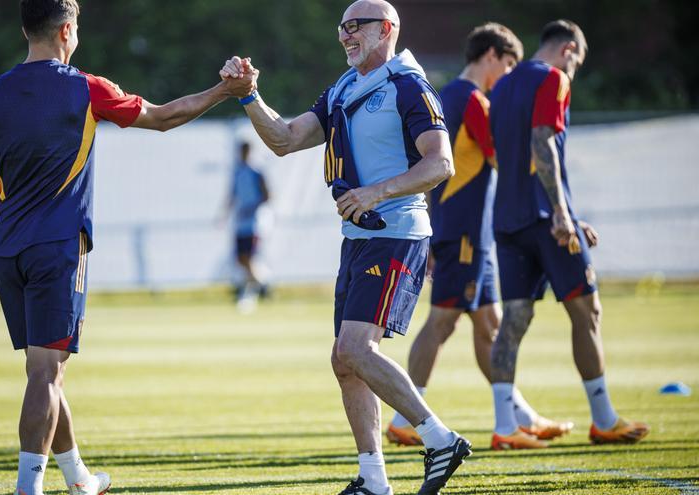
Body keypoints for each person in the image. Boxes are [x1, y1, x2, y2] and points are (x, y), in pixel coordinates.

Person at [0, 1, 255, 494]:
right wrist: (227, 89)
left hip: (6, 252)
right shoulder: (85, 87)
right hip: (57, 249)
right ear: (67, 30)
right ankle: (27, 488)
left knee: (44, 370)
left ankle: (80, 479)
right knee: (46, 376)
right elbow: (163, 117)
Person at [221, 1, 470, 493]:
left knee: (356, 348)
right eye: (343, 27)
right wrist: (249, 94)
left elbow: (441, 164)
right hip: (358, 238)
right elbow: (285, 139)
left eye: (357, 27)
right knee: (344, 358)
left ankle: (439, 438)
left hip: (396, 232)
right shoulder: (342, 88)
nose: (346, 35)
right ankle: (373, 480)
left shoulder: (408, 85)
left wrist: (376, 192)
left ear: (388, 30)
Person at [386, 23, 573, 448]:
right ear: (490, 55)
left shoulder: (447, 95)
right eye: (507, 65)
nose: (508, 76)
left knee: (489, 326)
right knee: (442, 322)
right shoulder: (473, 102)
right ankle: (403, 416)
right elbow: (503, 158)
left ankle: (517, 415)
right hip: (468, 230)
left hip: (465, 229)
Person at [487, 19, 649, 449]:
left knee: (514, 320)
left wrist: (566, 213)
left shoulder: (500, 87)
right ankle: (604, 418)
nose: (575, 68)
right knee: (587, 311)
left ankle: (504, 426)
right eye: (578, 60)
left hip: (507, 219)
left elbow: (502, 156)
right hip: (546, 221)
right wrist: (562, 213)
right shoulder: (555, 79)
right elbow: (543, 144)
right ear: (569, 50)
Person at [222, 141, 270, 305]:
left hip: (254, 222)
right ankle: (261, 285)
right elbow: (232, 194)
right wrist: (224, 214)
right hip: (240, 222)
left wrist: (251, 208)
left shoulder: (256, 171)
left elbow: (267, 195)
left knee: (249, 258)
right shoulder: (237, 172)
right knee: (241, 259)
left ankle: (252, 289)